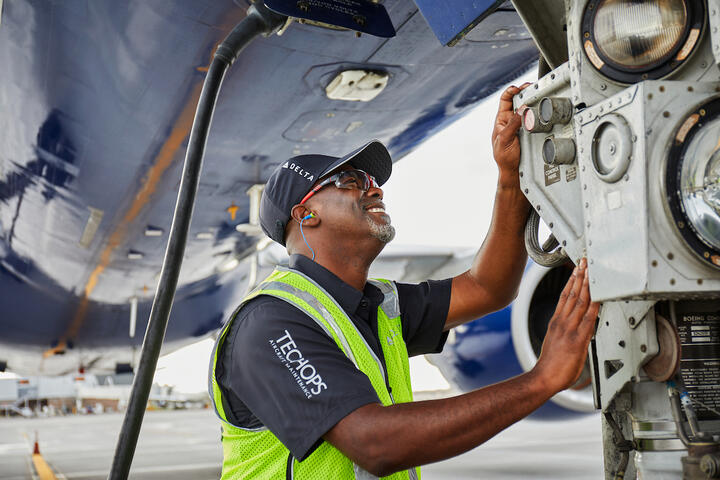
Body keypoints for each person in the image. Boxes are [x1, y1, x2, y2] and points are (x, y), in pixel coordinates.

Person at [209, 85, 600, 479]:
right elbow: (374, 444)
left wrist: (511, 175)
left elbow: (487, 288)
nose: (373, 188)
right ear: (306, 215)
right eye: (349, 181)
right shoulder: (268, 322)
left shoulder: (378, 305)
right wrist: (541, 380)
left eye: (371, 180)